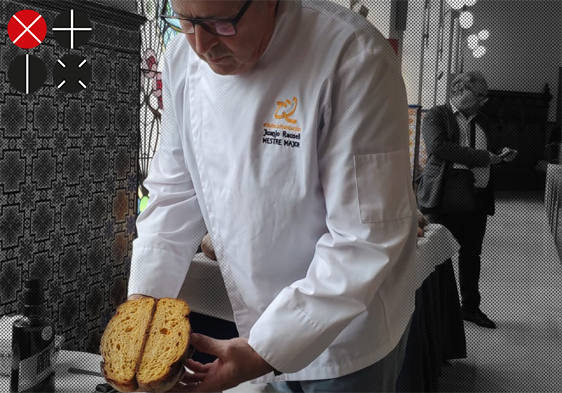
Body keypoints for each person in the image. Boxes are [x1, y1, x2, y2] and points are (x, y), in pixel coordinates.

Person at [128, 0, 418, 391]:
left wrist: (265, 349)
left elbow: (365, 237)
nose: (202, 44)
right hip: (254, 320)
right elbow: (173, 195)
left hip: (347, 337)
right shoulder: (182, 59)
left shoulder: (353, 57)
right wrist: (144, 304)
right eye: (187, 21)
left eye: (221, 23)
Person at [416, 71, 517, 329]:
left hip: (476, 198)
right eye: (479, 95)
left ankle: (470, 308)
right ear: (459, 90)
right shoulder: (437, 115)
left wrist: (501, 154)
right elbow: (439, 148)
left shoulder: (483, 120)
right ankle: (434, 312)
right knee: (436, 255)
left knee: (472, 254)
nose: (484, 101)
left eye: (486, 96)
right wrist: (484, 158)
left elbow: (490, 150)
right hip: (443, 197)